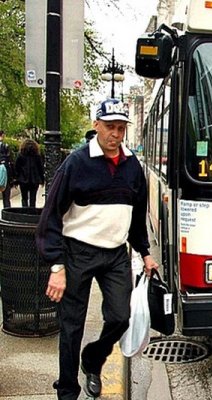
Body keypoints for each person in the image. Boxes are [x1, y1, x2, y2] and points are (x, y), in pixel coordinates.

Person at [36, 98, 159, 400]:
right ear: (96, 126)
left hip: (116, 254)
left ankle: (92, 359)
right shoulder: (77, 163)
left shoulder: (133, 167)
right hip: (77, 252)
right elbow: (50, 215)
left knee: (120, 317)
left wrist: (144, 252)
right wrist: (56, 266)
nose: (115, 134)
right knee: (72, 326)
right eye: (109, 127)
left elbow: (136, 215)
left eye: (120, 128)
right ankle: (67, 391)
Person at [15, 138, 45, 207]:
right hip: (34, 180)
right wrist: (42, 180)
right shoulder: (37, 156)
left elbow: (17, 167)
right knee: (33, 199)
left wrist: (16, 179)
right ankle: (31, 213)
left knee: (24, 198)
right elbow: (40, 168)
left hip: (23, 180)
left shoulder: (21, 155)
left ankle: (24, 213)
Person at [0, 130, 14, 207]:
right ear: (2, 135)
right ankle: (6, 211)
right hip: (5, 172)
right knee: (6, 195)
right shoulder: (6, 146)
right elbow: (10, 160)